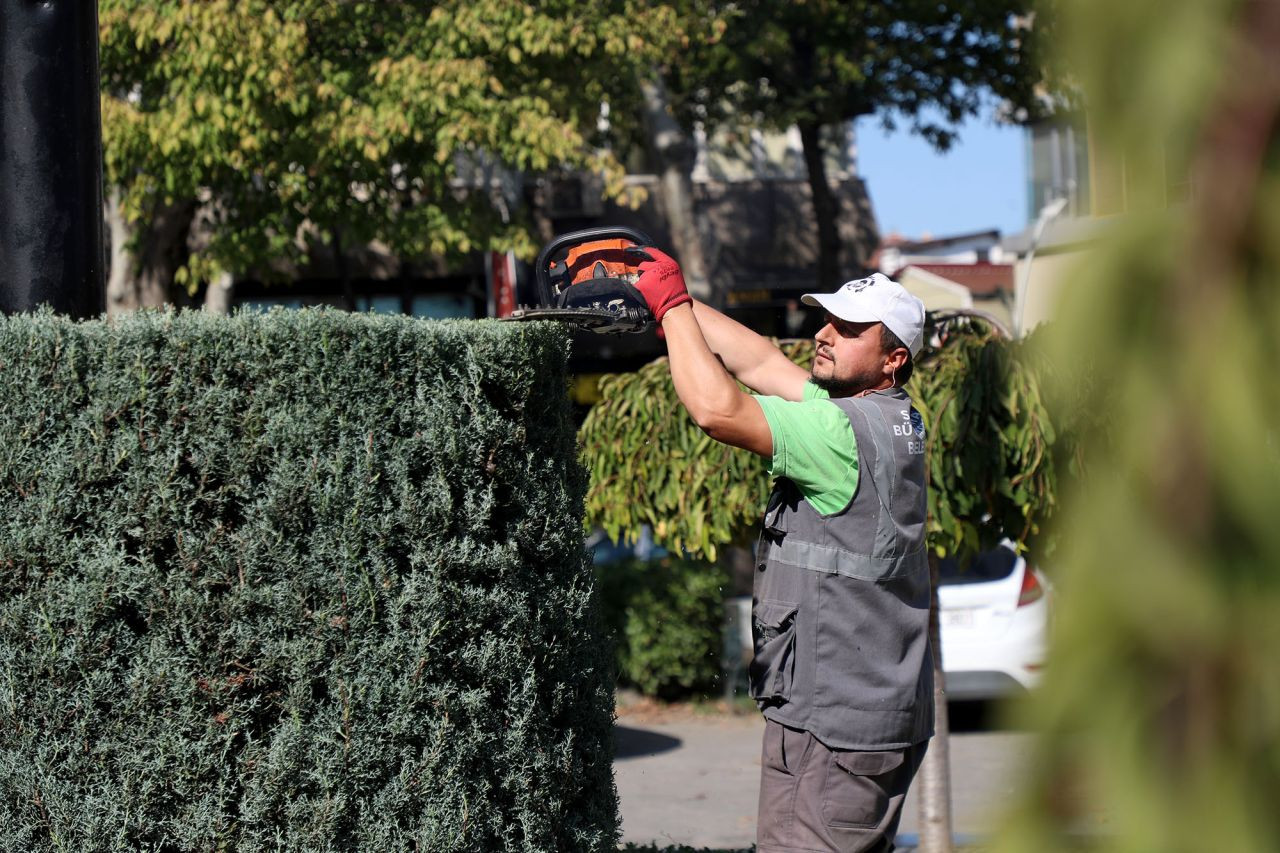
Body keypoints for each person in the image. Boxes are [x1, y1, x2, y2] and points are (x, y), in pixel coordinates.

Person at [631, 248, 934, 853]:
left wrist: (669, 306)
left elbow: (719, 409)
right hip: (873, 713)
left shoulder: (838, 433)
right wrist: (667, 303)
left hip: (832, 727)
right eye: (828, 319)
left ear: (893, 358)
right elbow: (762, 361)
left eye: (849, 330)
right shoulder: (890, 418)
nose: (824, 334)